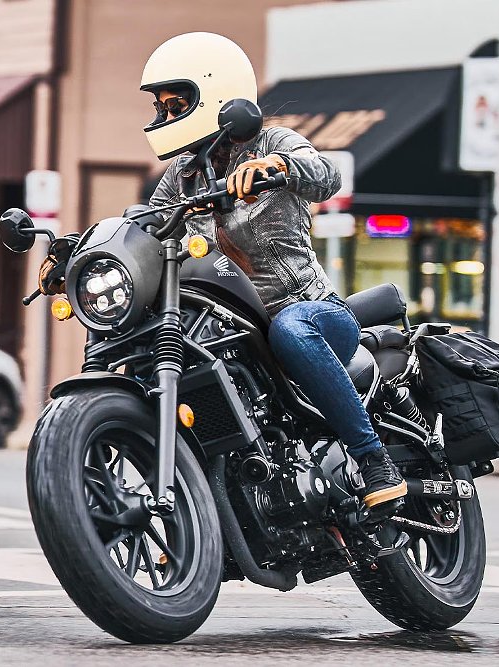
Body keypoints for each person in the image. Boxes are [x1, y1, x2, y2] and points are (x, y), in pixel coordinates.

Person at [139, 32, 406, 511]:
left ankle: (372, 458)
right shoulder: (181, 175)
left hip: (310, 313)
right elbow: (150, 229)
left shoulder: (272, 141)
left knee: (290, 329)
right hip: (231, 329)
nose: (165, 118)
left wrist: (277, 165)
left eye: (176, 104)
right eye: (161, 108)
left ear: (215, 93)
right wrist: (80, 252)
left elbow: (325, 175)